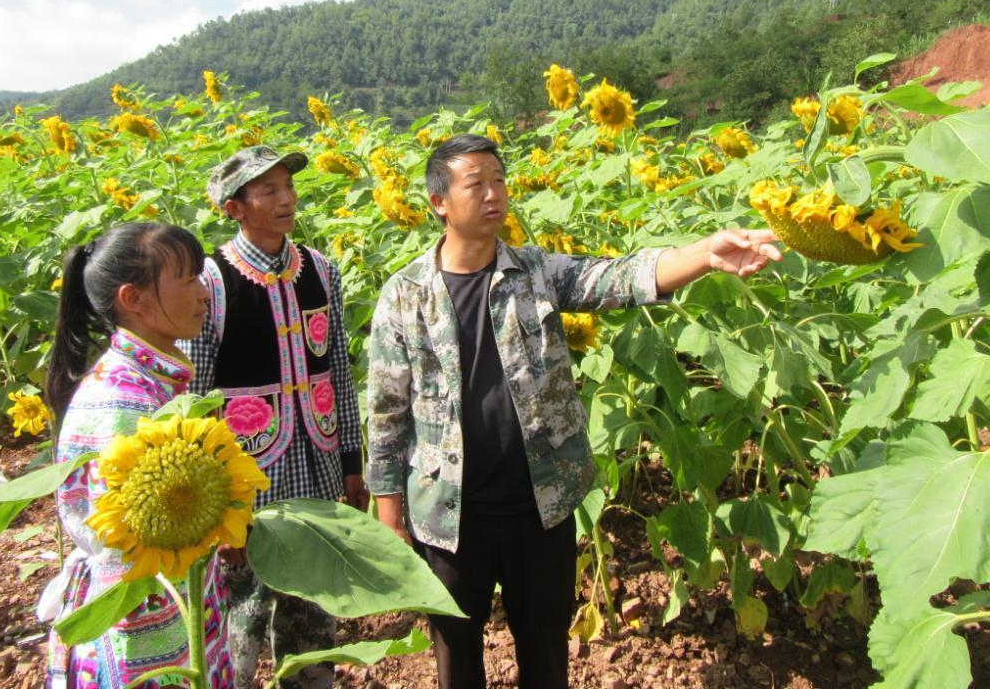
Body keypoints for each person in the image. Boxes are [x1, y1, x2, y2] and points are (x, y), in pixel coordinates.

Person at [366, 133, 782, 689]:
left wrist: (706, 255)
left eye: (499, 181)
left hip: (541, 504)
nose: (494, 194)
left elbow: (622, 277)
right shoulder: (405, 294)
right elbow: (388, 411)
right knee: (455, 655)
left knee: (545, 652)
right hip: (448, 512)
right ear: (439, 202)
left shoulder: (537, 272)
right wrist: (390, 515)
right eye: (476, 184)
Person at [180, 144, 368, 687]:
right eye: (270, 191)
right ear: (235, 207)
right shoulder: (212, 281)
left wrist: (351, 465)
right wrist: (216, 511)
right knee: (243, 608)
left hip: (317, 463)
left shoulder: (320, 271)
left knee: (316, 599)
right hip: (248, 477)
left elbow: (337, 372)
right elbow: (198, 394)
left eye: (288, 187)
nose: (287, 200)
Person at [41, 221, 235, 688]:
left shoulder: (156, 381)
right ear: (134, 299)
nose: (203, 292)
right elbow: (132, 539)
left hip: (169, 608)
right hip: (141, 625)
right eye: (187, 279)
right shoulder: (124, 404)